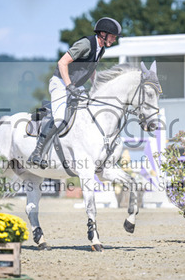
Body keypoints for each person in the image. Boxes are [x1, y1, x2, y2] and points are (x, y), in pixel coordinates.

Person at [28, 17, 122, 168]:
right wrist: (69, 85)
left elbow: (91, 69)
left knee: (90, 112)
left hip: (76, 86)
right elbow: (62, 62)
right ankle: (37, 152)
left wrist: (97, 87)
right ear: (103, 34)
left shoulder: (101, 49)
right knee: (60, 119)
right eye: (113, 36)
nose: (114, 39)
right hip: (60, 83)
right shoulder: (85, 44)